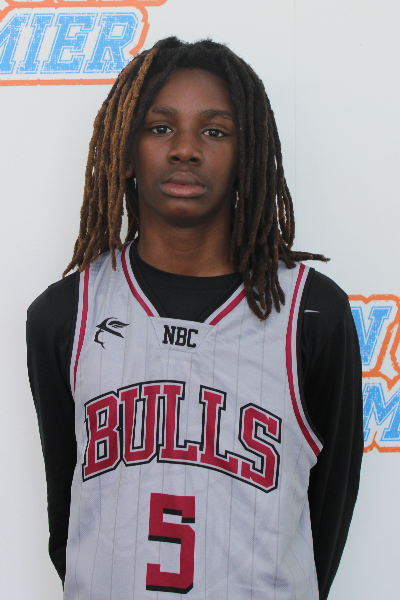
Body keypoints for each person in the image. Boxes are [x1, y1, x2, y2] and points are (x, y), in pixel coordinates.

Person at [27, 37, 363, 600]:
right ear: (125, 150)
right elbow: (68, 515)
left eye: (215, 131)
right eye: (160, 128)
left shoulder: (312, 313)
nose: (185, 149)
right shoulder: (65, 314)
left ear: (247, 154)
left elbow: (326, 516)